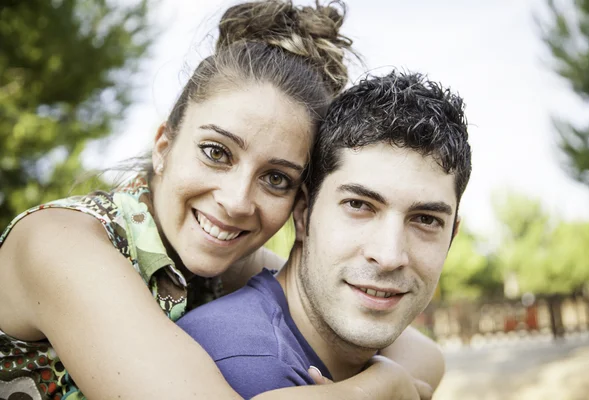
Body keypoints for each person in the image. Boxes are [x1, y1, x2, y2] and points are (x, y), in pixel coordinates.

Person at [0, 1, 442, 400]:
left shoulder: (230, 263)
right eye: (216, 153)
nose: (235, 201)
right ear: (164, 145)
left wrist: (389, 376)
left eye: (275, 178)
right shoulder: (60, 243)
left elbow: (424, 353)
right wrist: (377, 388)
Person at [177, 70, 471, 399]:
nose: (389, 255)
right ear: (303, 213)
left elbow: (428, 357)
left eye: (426, 220)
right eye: (359, 205)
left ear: (451, 237)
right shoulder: (249, 370)